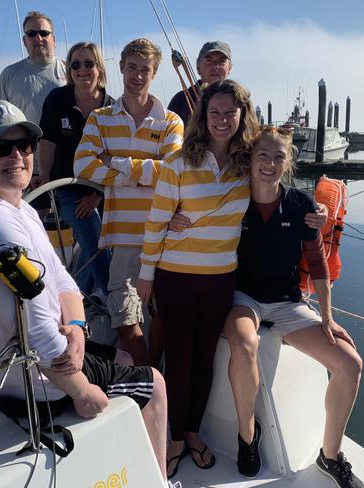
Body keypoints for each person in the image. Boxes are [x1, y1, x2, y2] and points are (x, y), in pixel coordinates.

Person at [0, 100, 179, 488]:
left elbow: (64, 279)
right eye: (0, 147)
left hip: (32, 357)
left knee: (118, 354)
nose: (16, 155)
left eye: (25, 146)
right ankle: (159, 483)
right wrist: (82, 390)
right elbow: (35, 332)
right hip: (28, 378)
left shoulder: (15, 208)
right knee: (153, 384)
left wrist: (79, 326)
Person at [224, 126, 364, 487]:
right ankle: (247, 436)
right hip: (243, 298)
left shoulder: (301, 206)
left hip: (288, 302)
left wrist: (328, 318)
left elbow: (317, 263)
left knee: (350, 364)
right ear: (251, 160)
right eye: (263, 155)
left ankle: (330, 456)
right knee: (244, 345)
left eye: (278, 156)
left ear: (288, 163)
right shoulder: (232, 199)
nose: (270, 163)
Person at [138, 79, 257, 477]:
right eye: (214, 113)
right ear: (202, 119)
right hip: (175, 276)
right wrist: (146, 276)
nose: (222, 120)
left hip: (220, 278)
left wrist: (315, 217)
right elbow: (156, 222)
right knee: (181, 358)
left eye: (230, 113)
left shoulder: (248, 164)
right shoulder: (179, 163)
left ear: (242, 117)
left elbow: (277, 188)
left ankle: (192, 432)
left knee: (205, 360)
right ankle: (172, 438)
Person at [74, 38, 183, 366]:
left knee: (162, 312)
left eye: (145, 69)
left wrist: (118, 163)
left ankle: (152, 381)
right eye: (132, 67)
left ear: (154, 72)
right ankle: (150, 380)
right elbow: (82, 166)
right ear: (121, 68)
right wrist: (147, 169)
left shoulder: (171, 121)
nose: (138, 75)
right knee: (124, 319)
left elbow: (175, 173)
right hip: (123, 238)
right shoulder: (100, 119)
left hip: (165, 235)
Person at [35, 42, 113, 302]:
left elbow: (114, 157)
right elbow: (47, 143)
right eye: (75, 64)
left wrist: (98, 195)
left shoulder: (111, 107)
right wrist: (45, 181)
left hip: (102, 187)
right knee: (95, 238)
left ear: (99, 69)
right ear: (69, 70)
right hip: (67, 185)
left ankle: (76, 298)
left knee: (108, 240)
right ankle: (112, 298)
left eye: (88, 63)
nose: (82, 69)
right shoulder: (58, 100)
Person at [0, 11, 65, 132]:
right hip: (25, 150)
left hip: (67, 150)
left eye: (44, 33)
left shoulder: (71, 70)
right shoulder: (9, 75)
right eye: (31, 34)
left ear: (53, 40)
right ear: (24, 41)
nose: (38, 38)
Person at [167, 41, 232, 125]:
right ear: (198, 67)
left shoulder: (238, 100)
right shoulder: (180, 101)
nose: (215, 66)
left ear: (230, 68)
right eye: (209, 60)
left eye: (221, 61)